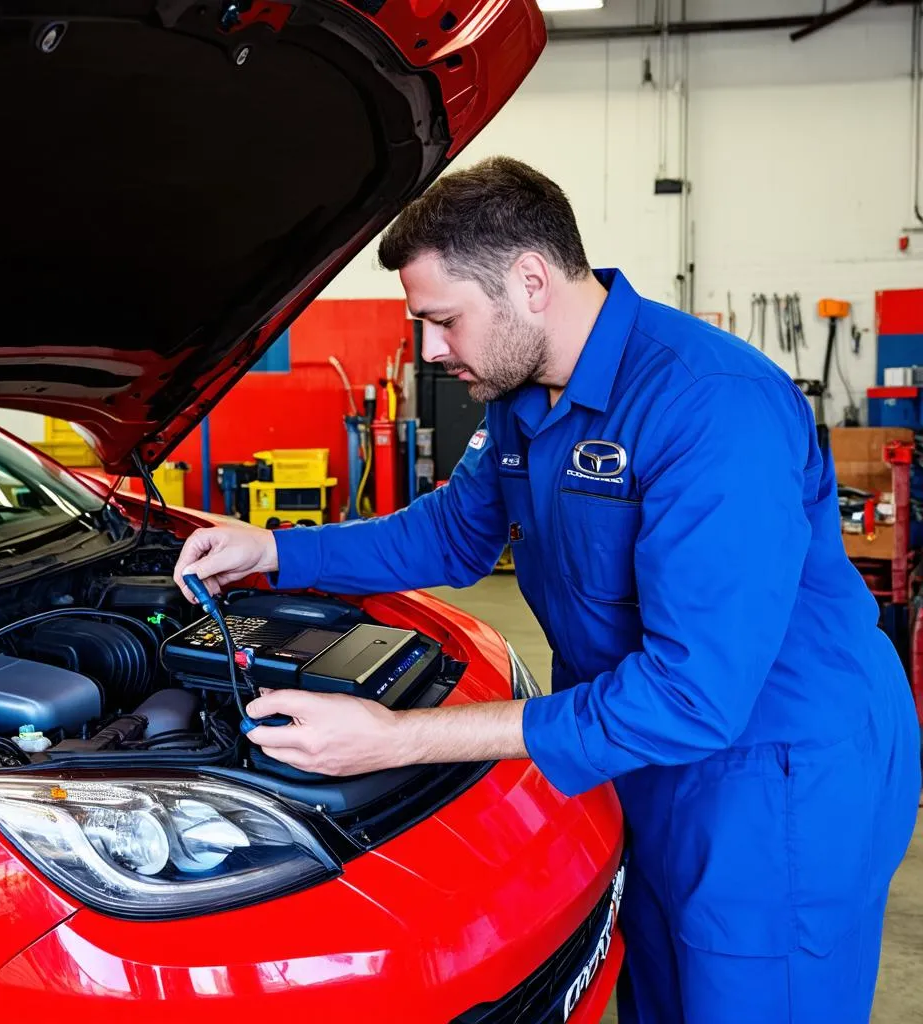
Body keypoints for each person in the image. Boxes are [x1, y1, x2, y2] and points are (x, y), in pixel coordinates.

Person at [174, 156, 921, 1023]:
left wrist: (402, 736)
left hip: (774, 772)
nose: (431, 348)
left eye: (444, 320)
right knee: (660, 993)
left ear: (530, 281)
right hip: (638, 752)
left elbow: (695, 693)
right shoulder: (523, 397)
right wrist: (270, 549)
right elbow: (451, 533)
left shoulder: (709, 408)